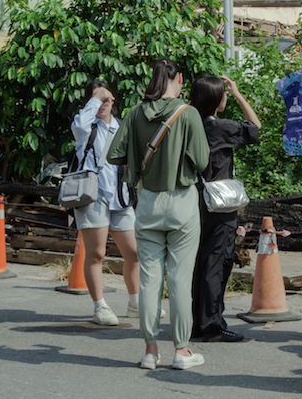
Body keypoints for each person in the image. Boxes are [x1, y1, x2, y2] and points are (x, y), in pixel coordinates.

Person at [107, 58, 210, 371]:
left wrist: (138, 160)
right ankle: (181, 350)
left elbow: (114, 154)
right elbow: (203, 160)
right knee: (179, 280)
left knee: (150, 280)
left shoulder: (136, 113)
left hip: (148, 203)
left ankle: (150, 351)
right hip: (181, 204)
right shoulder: (188, 113)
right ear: (178, 78)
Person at [189, 74, 260, 343]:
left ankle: (198, 322)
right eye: (224, 94)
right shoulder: (220, 127)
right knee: (216, 262)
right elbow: (254, 127)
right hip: (218, 205)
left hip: (192, 200)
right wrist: (239, 93)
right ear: (216, 99)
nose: (227, 97)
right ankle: (211, 325)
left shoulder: (187, 123)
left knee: (200, 262)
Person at [70, 80, 140, 326]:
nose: (103, 104)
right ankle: (100, 306)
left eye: (107, 99)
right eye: (97, 99)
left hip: (120, 198)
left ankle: (135, 303)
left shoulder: (121, 126)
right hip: (93, 198)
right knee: (97, 253)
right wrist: (96, 97)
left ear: (114, 100)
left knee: (134, 253)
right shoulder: (85, 127)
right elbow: (79, 123)